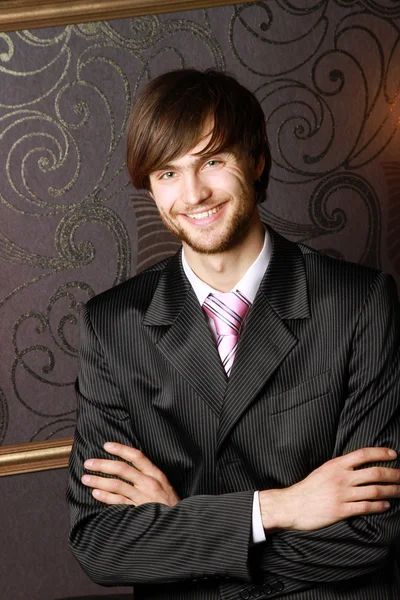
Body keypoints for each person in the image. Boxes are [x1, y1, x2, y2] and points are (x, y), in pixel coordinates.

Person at [67, 69, 400, 600]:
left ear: (258, 157)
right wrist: (278, 508)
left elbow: (371, 530)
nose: (193, 193)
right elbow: (102, 542)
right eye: (167, 174)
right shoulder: (112, 325)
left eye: (213, 161)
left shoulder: (358, 303)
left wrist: (181, 525)